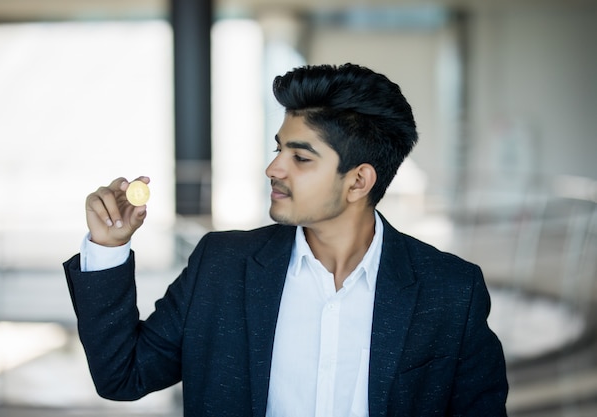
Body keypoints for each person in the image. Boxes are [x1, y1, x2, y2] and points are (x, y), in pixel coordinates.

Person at [64, 63, 508, 416]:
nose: (274, 168)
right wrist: (107, 248)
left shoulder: (450, 290)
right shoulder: (221, 265)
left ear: (358, 181)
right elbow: (122, 377)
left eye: (300, 156)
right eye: (279, 149)